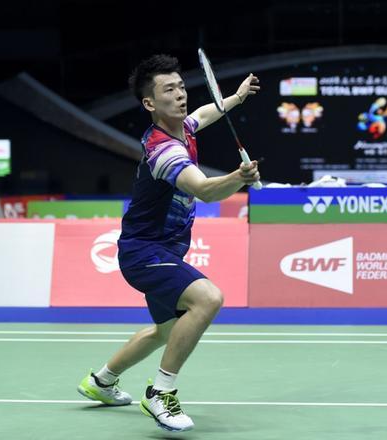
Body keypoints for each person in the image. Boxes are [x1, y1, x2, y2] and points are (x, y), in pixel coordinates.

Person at [77, 54, 261, 432]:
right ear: (149, 103)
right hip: (144, 252)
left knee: (165, 331)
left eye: (181, 87)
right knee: (208, 299)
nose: (180, 95)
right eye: (169, 90)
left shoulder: (184, 129)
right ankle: (160, 393)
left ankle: (101, 382)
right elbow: (205, 191)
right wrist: (238, 177)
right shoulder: (164, 151)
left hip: (162, 249)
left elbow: (205, 114)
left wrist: (237, 98)